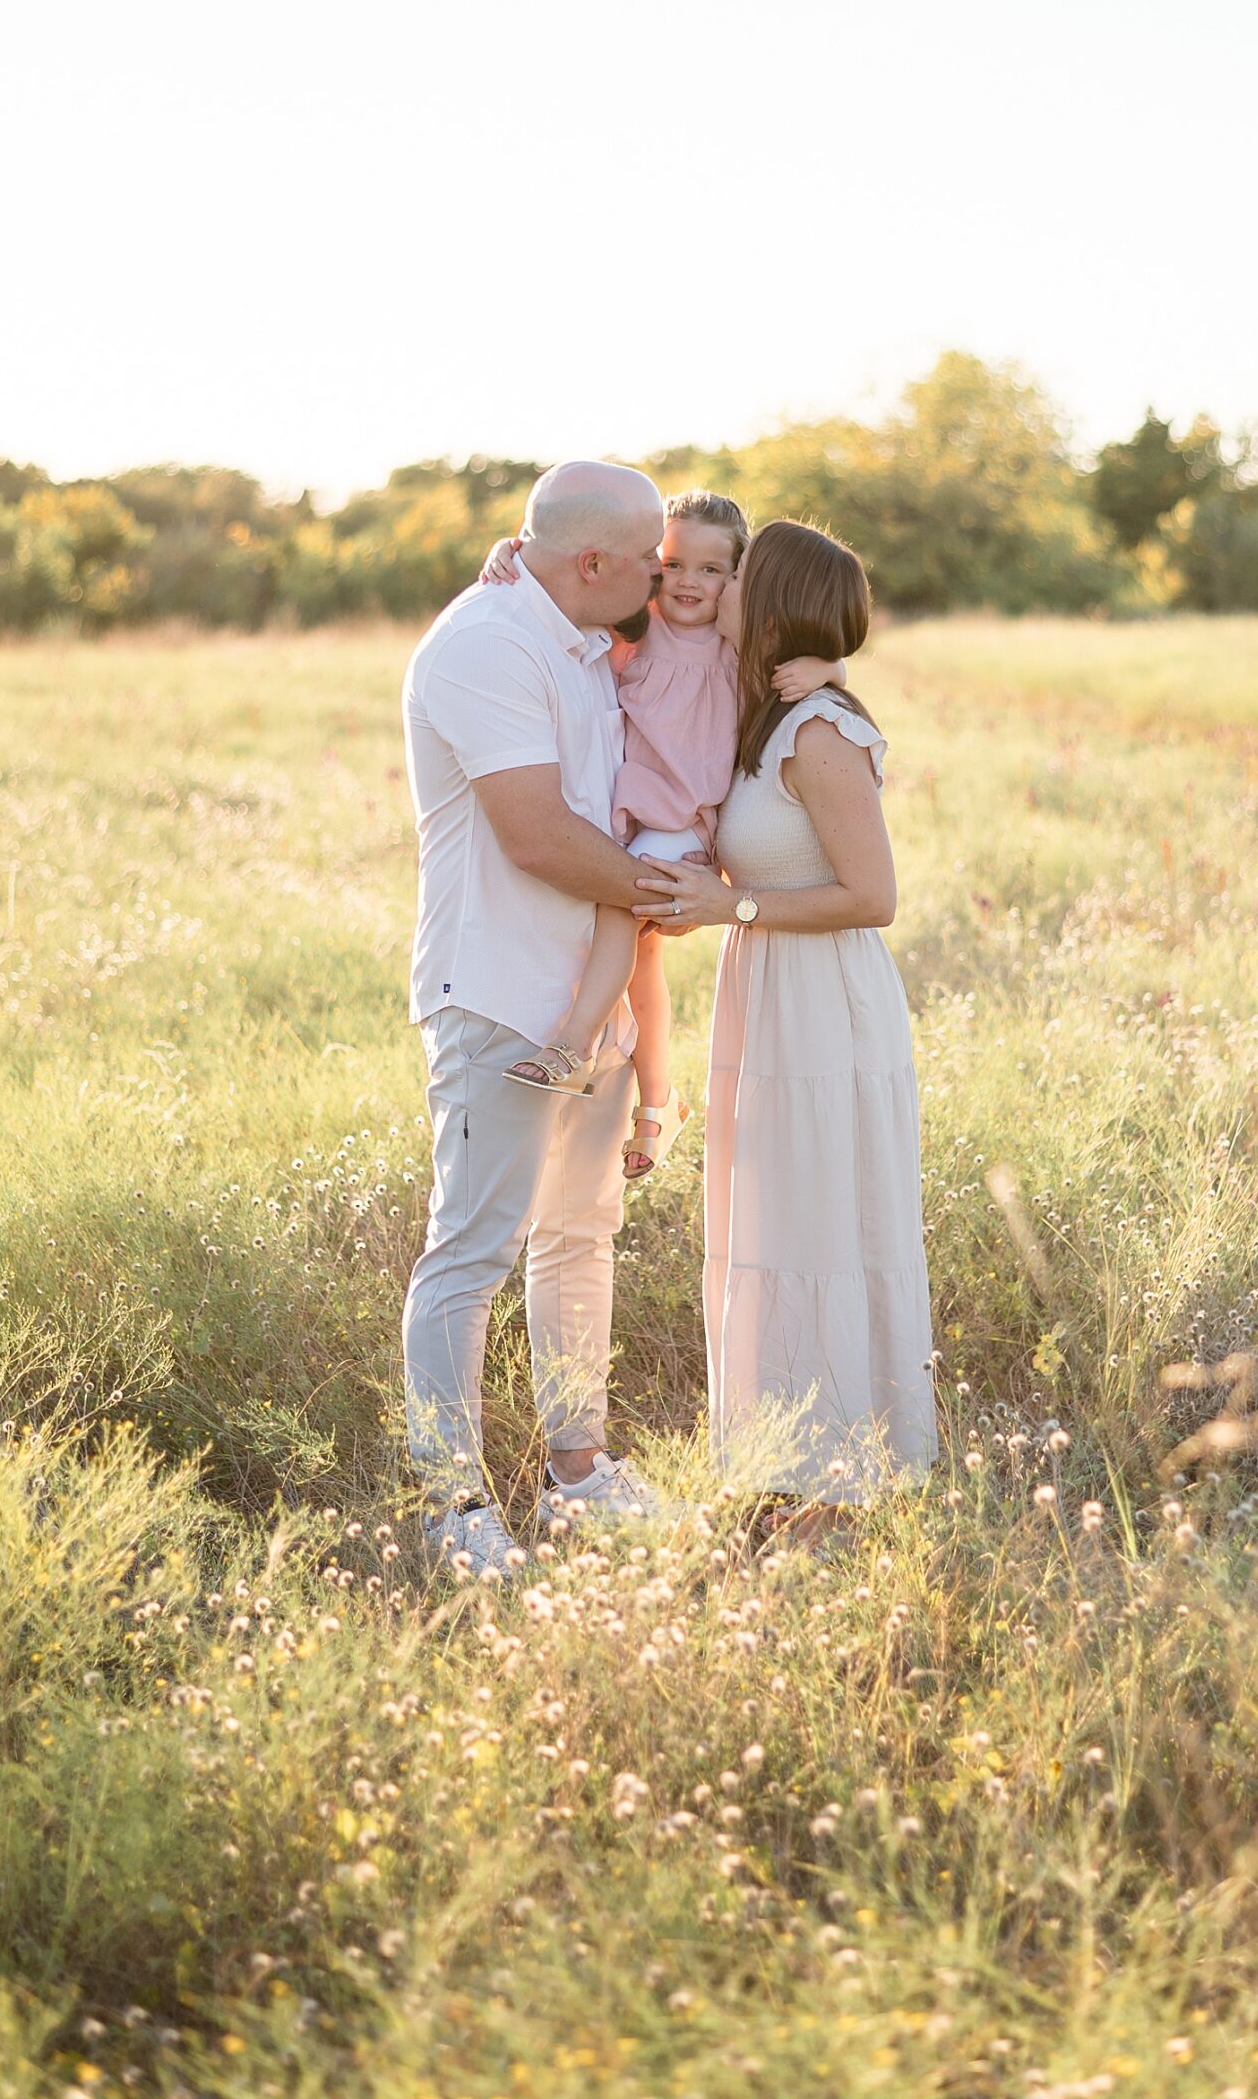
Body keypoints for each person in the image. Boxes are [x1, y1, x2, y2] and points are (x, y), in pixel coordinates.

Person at [399, 459, 677, 1581]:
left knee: (577, 1239)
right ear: (595, 561)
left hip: (592, 1000)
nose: (663, 576)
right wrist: (673, 894)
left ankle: (580, 1476)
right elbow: (538, 836)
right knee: (470, 1254)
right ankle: (452, 1507)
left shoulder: (580, 630)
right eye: (648, 558)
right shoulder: (484, 645)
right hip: (502, 1000)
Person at [635, 519, 938, 1543]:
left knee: (821, 1234)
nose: (711, 587)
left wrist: (734, 909)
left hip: (823, 1002)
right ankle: (776, 1471)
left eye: (736, 578)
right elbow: (646, 623)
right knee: (766, 1232)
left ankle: (837, 1489)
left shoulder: (819, 732)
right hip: (764, 994)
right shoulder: (759, 705)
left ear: (767, 604)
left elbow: (873, 895)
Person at [482, 492, 840, 1179]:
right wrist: (510, 556)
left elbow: (830, 658)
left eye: (712, 570)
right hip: (629, 816)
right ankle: (657, 1102)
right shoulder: (636, 626)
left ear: (739, 577)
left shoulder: (741, 644)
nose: (687, 583)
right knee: (638, 964)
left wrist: (829, 670)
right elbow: (561, 590)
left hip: (683, 825)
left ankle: (572, 1045)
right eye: (674, 563)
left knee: (622, 906)